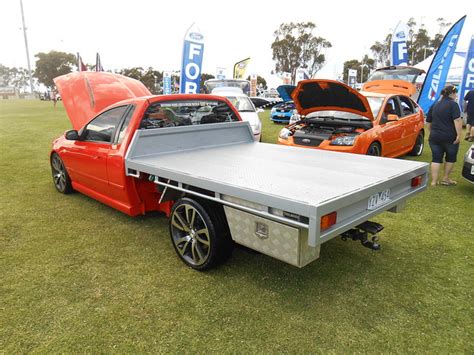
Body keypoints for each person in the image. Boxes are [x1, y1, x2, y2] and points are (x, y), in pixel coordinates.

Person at [426, 85, 463, 186]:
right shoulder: (453, 105)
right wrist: (459, 135)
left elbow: (428, 122)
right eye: (456, 93)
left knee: (436, 158)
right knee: (450, 157)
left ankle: (433, 181)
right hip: (449, 136)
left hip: (435, 136)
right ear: (452, 94)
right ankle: (446, 178)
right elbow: (457, 120)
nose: (456, 95)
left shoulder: (435, 105)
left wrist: (432, 132)